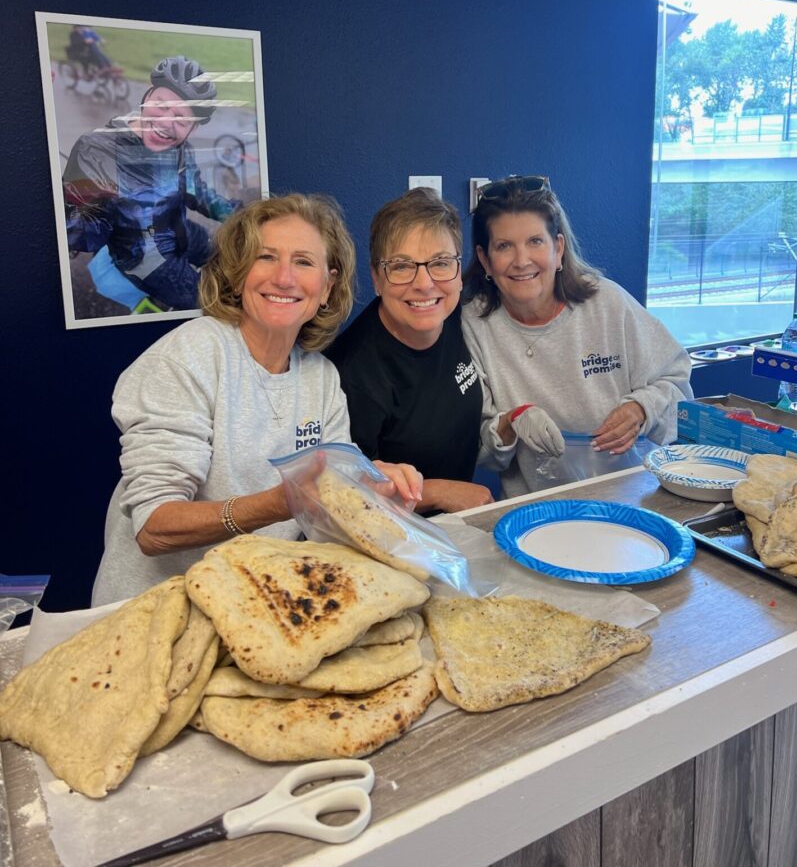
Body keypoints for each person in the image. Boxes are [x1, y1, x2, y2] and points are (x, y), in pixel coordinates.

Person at [92, 194, 422, 605]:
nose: (284, 278)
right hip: (151, 611)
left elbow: (330, 498)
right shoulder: (189, 357)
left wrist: (372, 486)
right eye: (265, 257)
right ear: (237, 274)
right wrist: (279, 503)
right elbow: (155, 527)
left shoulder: (320, 378)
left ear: (327, 286)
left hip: (253, 605)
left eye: (303, 262)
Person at [462, 175, 692, 499]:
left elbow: (679, 386)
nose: (522, 260)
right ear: (485, 259)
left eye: (535, 241)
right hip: (536, 512)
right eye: (504, 246)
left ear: (558, 249)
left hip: (633, 500)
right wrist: (512, 422)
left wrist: (642, 408)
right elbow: (481, 451)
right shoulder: (475, 325)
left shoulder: (607, 304)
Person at [326, 188, 493, 513]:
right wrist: (437, 492)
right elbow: (348, 497)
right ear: (377, 278)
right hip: (391, 535)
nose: (424, 283)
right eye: (402, 266)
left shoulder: (457, 318)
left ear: (459, 272)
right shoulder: (352, 375)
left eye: (441, 263)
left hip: (456, 525)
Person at [62, 55, 239, 310]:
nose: (165, 122)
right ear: (147, 96)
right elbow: (82, 231)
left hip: (179, 229)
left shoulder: (181, 149)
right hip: (146, 257)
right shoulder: (97, 149)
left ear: (193, 129)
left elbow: (197, 191)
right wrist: (95, 208)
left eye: (181, 119)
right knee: (212, 302)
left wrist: (243, 215)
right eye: (161, 105)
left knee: (231, 258)